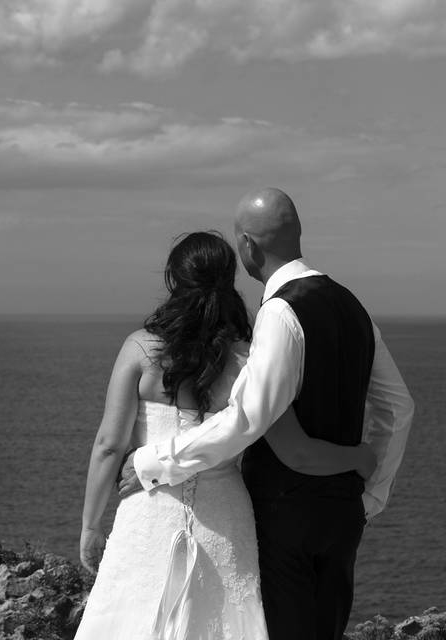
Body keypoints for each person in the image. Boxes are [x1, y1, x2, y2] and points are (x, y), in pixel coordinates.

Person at [118, 188, 415, 640]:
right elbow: (398, 407)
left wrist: (154, 461)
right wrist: (370, 495)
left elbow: (247, 419)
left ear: (248, 247)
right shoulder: (353, 306)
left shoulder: (280, 311)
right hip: (342, 514)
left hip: (285, 513)